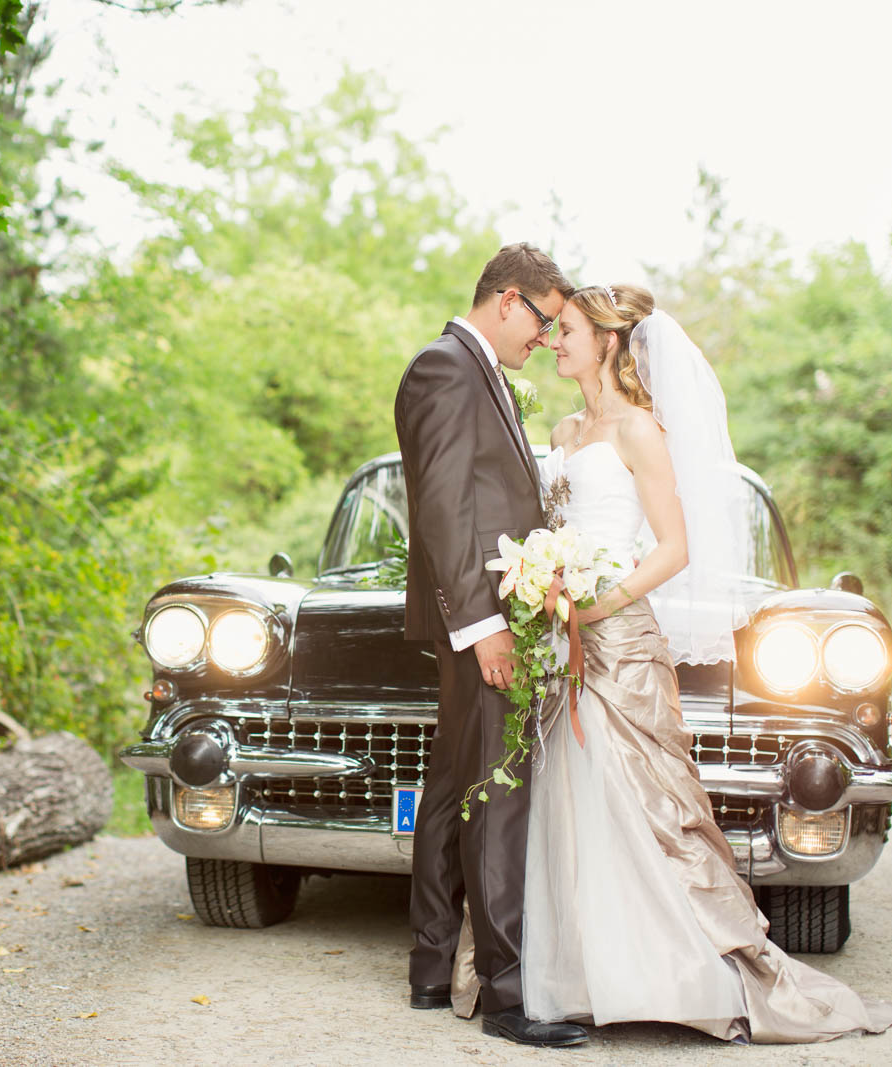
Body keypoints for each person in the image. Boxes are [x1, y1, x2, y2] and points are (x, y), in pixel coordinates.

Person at [452, 283, 892, 1042]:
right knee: (564, 804)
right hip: (559, 637)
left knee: (640, 805)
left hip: (618, 639)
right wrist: (540, 582)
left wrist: (598, 602)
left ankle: (670, 977)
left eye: (565, 329)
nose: (551, 340)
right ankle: (566, 976)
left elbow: (674, 548)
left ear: (607, 341)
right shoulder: (565, 427)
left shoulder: (642, 430)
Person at [392, 243, 587, 1048]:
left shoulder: (478, 371)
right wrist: (485, 627)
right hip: (483, 624)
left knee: (449, 789)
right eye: (542, 321)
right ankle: (507, 996)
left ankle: (432, 966)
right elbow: (442, 509)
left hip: (488, 615)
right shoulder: (443, 368)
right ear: (508, 299)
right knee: (497, 797)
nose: (543, 339)